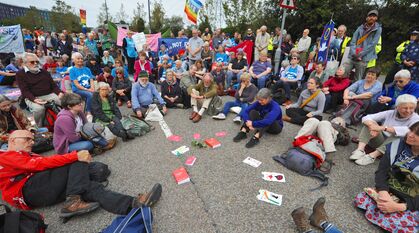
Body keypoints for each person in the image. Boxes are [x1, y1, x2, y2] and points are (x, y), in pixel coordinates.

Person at [0, 129, 162, 218]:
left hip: (41, 189)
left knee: (89, 184)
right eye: (27, 139)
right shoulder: (4, 156)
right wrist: (75, 157)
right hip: (26, 192)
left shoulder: (28, 154)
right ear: (13, 141)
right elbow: (39, 165)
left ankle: (132, 204)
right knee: (76, 159)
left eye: (32, 139)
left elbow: (48, 164)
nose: (32, 142)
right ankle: (73, 200)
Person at [354, 121, 419, 232]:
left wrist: (400, 206)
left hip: (412, 200)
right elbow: (382, 172)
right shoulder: (397, 144)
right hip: (391, 191)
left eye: (417, 134)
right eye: (411, 130)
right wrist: (383, 193)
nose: (410, 134)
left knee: (399, 221)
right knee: (360, 199)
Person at [350, 94, 419, 166]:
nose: (408, 111)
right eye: (405, 108)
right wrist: (373, 126)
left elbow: (407, 131)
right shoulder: (390, 113)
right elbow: (367, 117)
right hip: (380, 140)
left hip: (394, 147)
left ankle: (372, 156)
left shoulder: (416, 118)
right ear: (397, 107)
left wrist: (382, 128)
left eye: (411, 108)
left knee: (399, 135)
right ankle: (360, 150)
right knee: (370, 124)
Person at [16, 53, 62, 127]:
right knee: (39, 109)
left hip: (48, 94)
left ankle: (66, 121)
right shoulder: (20, 74)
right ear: (25, 63)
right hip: (33, 97)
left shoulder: (44, 72)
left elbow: (53, 85)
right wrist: (34, 99)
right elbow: (25, 91)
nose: (35, 63)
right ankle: (39, 127)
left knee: (64, 101)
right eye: (32, 62)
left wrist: (59, 93)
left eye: (37, 62)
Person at [345, 10, 382, 81]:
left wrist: (360, 54)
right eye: (370, 16)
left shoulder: (378, 29)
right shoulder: (360, 27)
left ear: (376, 18)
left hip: (363, 58)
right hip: (353, 56)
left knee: (358, 78)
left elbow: (372, 44)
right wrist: (353, 53)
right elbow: (353, 41)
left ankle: (354, 92)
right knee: (344, 72)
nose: (371, 18)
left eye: (374, 16)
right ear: (367, 18)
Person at [69, 52, 95, 120]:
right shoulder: (72, 70)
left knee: (97, 93)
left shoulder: (87, 69)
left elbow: (91, 80)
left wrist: (92, 88)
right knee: (90, 95)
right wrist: (88, 90)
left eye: (81, 58)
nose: (80, 60)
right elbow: (76, 84)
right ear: (73, 60)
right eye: (78, 58)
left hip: (88, 88)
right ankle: (88, 112)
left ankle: (97, 111)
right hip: (78, 90)